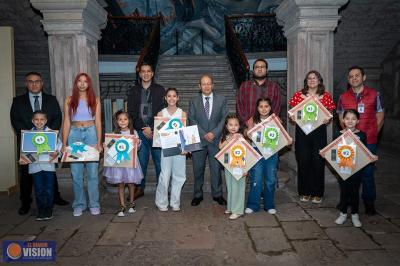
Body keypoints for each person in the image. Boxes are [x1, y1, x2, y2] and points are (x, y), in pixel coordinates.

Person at [10, 71, 68, 215]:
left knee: (49, 170)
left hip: (48, 141)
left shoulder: (51, 99)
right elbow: (15, 120)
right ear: (26, 84)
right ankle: (25, 202)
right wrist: (31, 136)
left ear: (42, 83)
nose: (34, 84)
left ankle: (55, 197)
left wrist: (48, 135)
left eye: (37, 81)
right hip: (27, 143)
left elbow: (57, 118)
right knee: (26, 173)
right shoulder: (17, 101)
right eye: (31, 81)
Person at [337, 66, 384, 215]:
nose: (354, 78)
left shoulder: (374, 94)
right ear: (348, 79)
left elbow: (380, 115)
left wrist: (373, 133)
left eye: (357, 76)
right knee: (348, 171)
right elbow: (340, 115)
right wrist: (347, 134)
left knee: (367, 172)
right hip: (350, 141)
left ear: (363, 77)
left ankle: (369, 201)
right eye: (351, 76)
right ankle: (347, 200)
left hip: (368, 139)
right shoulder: (343, 97)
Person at [288, 70, 335, 204]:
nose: (312, 80)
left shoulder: (325, 96)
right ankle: (304, 191)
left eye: (314, 78)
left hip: (319, 132)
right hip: (302, 132)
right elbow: (292, 113)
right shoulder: (298, 95)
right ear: (306, 81)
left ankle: (317, 193)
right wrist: (292, 117)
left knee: (318, 162)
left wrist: (327, 118)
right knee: (303, 161)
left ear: (319, 81)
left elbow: (330, 113)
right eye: (309, 78)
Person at [328, 109, 378, 227]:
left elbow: (364, 152)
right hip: (342, 169)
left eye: (353, 119)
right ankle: (343, 213)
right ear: (343, 120)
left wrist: (371, 157)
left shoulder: (362, 135)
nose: (350, 121)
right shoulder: (338, 134)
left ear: (358, 121)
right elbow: (334, 151)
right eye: (347, 118)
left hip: (356, 169)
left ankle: (355, 215)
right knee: (344, 191)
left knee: (355, 192)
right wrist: (327, 154)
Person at [62, 73, 102, 217]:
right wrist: (65, 143)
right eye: (79, 81)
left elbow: (98, 122)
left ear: (89, 84)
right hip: (75, 134)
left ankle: (94, 204)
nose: (82, 84)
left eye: (85, 81)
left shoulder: (95, 100)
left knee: (92, 173)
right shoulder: (69, 100)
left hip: (91, 133)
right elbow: (66, 122)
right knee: (76, 173)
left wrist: (98, 142)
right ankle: (79, 204)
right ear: (76, 83)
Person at [245, 97, 291, 215]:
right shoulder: (252, 120)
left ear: (270, 108)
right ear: (257, 108)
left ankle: (269, 204)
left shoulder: (276, 120)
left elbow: (282, 136)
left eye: (266, 106)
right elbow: (247, 134)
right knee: (256, 179)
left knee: (270, 179)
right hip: (257, 153)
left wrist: (288, 140)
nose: (264, 109)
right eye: (261, 106)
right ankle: (253, 204)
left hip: (271, 153)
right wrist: (249, 132)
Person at [189, 74, 229, 206]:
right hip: (198, 139)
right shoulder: (193, 101)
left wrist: (214, 132)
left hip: (216, 140)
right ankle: (197, 194)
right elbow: (192, 119)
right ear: (199, 86)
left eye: (209, 83)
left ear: (213, 85)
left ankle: (217, 194)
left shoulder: (221, 99)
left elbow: (224, 118)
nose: (206, 86)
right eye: (203, 84)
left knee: (216, 168)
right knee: (198, 169)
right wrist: (204, 133)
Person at [127, 63, 166, 199]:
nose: (146, 74)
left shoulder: (160, 90)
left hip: (156, 132)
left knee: (159, 163)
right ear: (140, 74)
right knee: (141, 162)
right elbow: (131, 112)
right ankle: (140, 188)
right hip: (140, 132)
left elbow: (162, 110)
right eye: (143, 71)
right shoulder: (133, 91)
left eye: (148, 71)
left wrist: (151, 127)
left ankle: (162, 189)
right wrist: (143, 128)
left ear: (152, 73)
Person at [103, 110, 143, 217]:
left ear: (129, 120)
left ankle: (131, 203)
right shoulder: (114, 134)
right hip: (118, 164)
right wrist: (105, 145)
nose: (123, 121)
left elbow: (138, 147)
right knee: (120, 184)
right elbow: (109, 147)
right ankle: (122, 205)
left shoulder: (133, 133)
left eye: (125, 119)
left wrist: (138, 142)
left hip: (130, 163)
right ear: (116, 121)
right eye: (120, 119)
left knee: (131, 183)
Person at [20, 111, 59, 221]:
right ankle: (41, 209)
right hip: (35, 167)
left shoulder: (52, 134)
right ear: (32, 121)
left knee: (49, 189)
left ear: (46, 121)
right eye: (36, 119)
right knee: (38, 190)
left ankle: (49, 209)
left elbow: (58, 148)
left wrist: (57, 152)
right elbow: (25, 152)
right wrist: (26, 159)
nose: (39, 121)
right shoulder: (28, 135)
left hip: (48, 166)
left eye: (42, 119)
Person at [155, 88, 187, 212]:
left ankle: (175, 202)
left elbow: (184, 133)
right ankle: (162, 202)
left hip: (179, 149)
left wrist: (185, 148)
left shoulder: (182, 113)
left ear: (178, 98)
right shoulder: (161, 114)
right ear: (165, 98)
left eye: (174, 96)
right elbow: (158, 134)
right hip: (166, 149)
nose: (172, 98)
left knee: (179, 175)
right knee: (165, 175)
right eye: (169, 96)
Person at [219, 114, 247, 220]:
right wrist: (229, 139)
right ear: (226, 126)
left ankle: (238, 210)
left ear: (239, 126)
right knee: (230, 187)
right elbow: (220, 147)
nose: (233, 127)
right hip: (228, 166)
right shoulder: (226, 137)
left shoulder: (241, 138)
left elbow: (248, 153)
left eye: (236, 125)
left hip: (240, 167)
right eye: (230, 125)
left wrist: (245, 169)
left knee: (238, 188)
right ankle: (231, 207)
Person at [237, 58, 281, 124]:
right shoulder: (244, 86)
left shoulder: (274, 87)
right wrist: (246, 122)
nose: (259, 69)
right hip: (248, 127)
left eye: (262, 67)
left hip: (268, 127)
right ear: (253, 70)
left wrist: (270, 122)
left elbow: (276, 107)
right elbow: (239, 106)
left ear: (267, 70)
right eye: (257, 67)